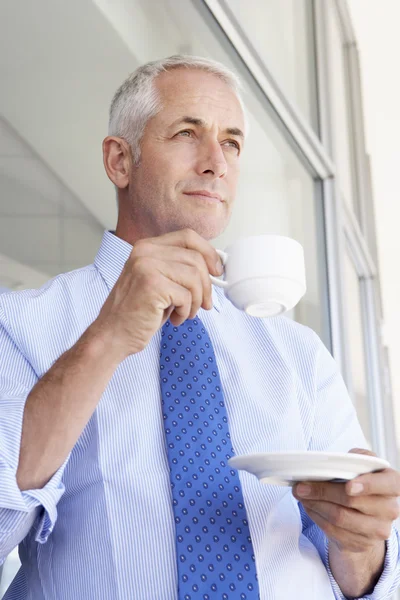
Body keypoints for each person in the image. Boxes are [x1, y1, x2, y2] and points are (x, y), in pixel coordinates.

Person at [0, 55, 399, 600]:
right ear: (120, 161)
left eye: (232, 143)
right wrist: (108, 335)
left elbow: (365, 573)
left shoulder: (298, 353)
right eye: (187, 133)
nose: (217, 163)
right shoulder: (20, 323)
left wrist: (362, 545)